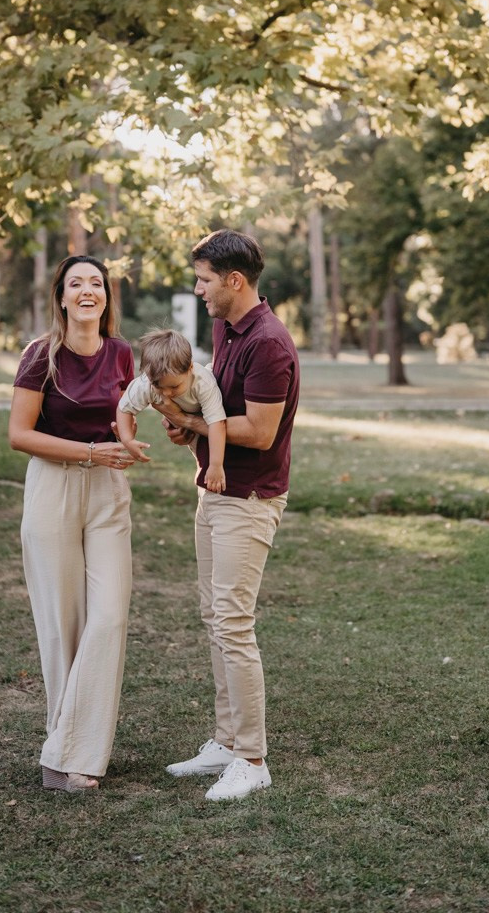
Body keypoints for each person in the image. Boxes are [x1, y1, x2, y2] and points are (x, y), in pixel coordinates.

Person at [157, 228, 300, 802]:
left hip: (250, 499)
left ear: (234, 281)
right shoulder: (225, 327)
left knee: (235, 626)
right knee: (214, 619)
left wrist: (192, 425)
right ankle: (224, 740)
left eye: (205, 279)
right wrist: (186, 421)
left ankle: (253, 758)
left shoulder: (269, 343)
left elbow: (261, 432)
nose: (198, 289)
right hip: (214, 491)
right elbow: (218, 406)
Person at [8, 254, 139, 793]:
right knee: (62, 625)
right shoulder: (42, 355)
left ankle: (69, 748)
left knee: (108, 618)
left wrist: (136, 442)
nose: (88, 290)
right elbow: (19, 434)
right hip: (54, 489)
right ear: (61, 297)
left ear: (106, 296)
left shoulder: (123, 353)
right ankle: (67, 754)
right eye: (76, 283)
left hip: (108, 493)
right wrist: (89, 451)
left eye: (97, 283)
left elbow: (129, 415)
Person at [115, 328, 227, 492]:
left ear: (190, 368)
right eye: (158, 386)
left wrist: (216, 465)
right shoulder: (146, 383)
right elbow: (124, 408)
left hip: (205, 415)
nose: (167, 393)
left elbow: (218, 423)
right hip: (186, 420)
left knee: (208, 455)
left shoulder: (203, 383)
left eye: (174, 386)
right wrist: (128, 440)